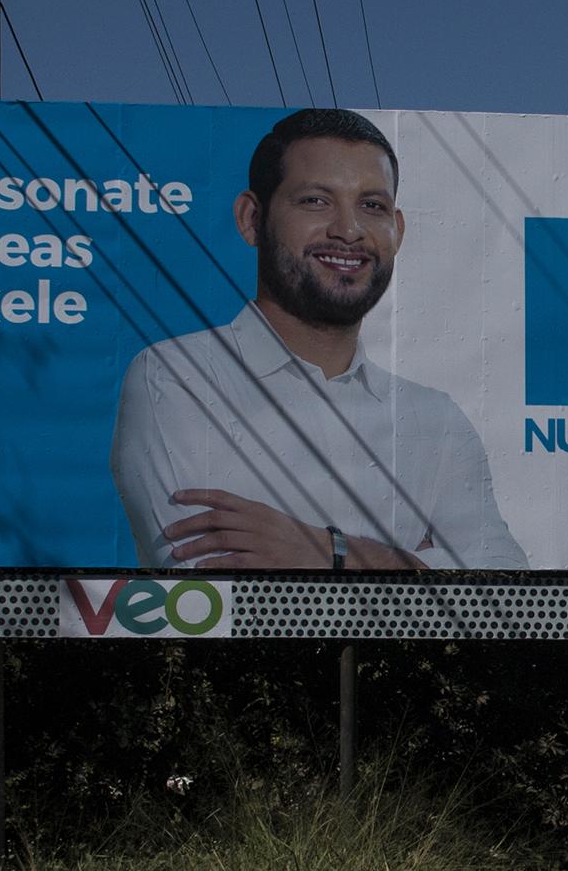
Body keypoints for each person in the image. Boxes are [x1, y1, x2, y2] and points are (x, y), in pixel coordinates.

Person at [110, 108, 527, 570]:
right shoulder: (177, 377)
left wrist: (331, 552)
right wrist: (416, 564)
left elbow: (500, 594)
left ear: (398, 231)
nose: (348, 230)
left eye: (372, 206)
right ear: (251, 219)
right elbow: (211, 588)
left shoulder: (434, 419)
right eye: (315, 201)